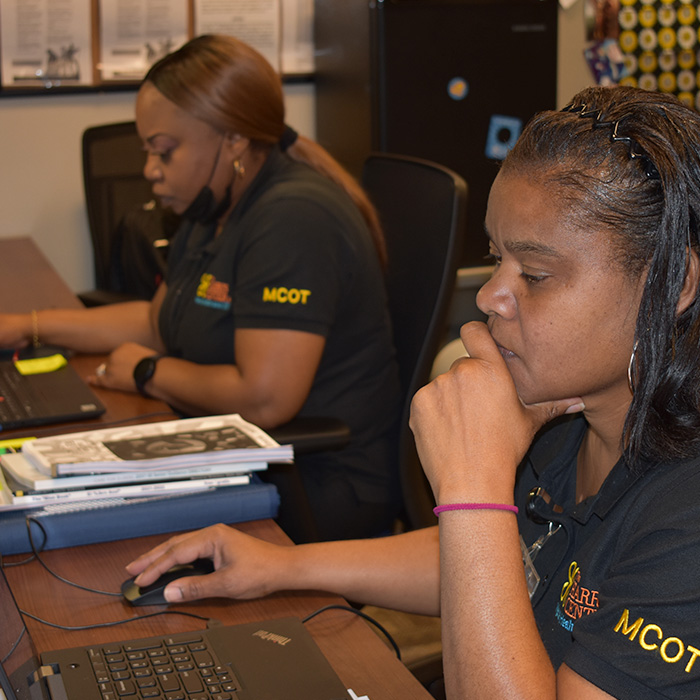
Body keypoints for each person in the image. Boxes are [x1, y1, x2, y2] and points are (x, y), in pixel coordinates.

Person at [125, 85, 700, 699]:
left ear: (673, 283)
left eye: (533, 274)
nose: (490, 297)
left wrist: (472, 484)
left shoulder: (685, 516)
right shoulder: (570, 418)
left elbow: (483, 537)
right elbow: (497, 560)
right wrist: (282, 566)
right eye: (495, 257)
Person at [0, 35, 401, 543]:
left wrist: (148, 372)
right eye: (147, 150)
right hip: (246, 452)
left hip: (317, 483)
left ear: (232, 140)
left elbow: (265, 398)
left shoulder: (293, 219)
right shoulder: (215, 203)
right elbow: (157, 321)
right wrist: (27, 327)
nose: (149, 170)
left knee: (77, 542)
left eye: (163, 151)